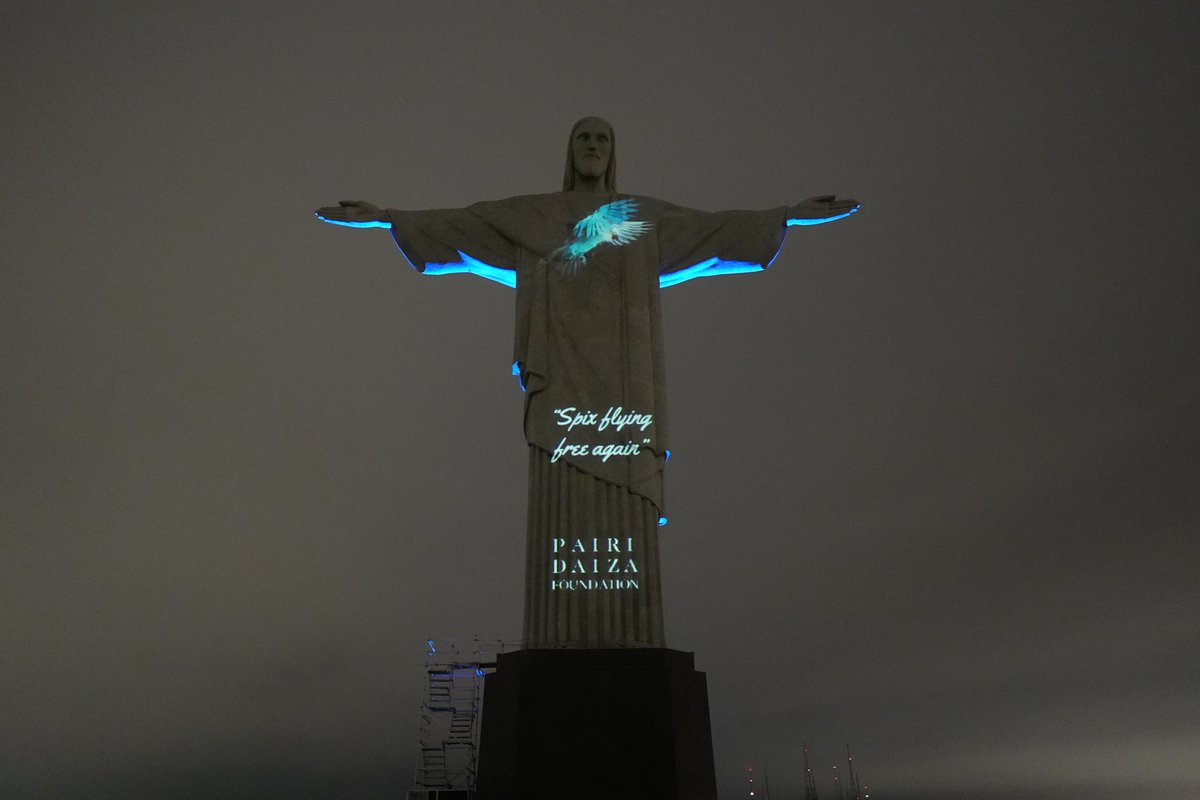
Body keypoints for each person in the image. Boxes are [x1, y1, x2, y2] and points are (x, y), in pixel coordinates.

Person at [316, 116, 858, 648]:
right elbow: (464, 225)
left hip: (627, 383)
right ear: (569, 150)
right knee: (558, 477)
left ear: (614, 151)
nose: (593, 146)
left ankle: (625, 631)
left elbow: (713, 229)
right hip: (560, 380)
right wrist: (388, 217)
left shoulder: (642, 217)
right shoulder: (533, 215)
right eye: (583, 137)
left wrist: (787, 216)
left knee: (625, 487)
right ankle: (560, 632)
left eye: (602, 138)